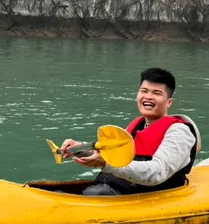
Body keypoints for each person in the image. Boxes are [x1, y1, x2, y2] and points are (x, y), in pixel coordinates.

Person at [60, 67, 201, 196]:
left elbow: (157, 172)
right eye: (144, 91)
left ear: (169, 102)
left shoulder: (179, 132)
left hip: (150, 197)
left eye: (157, 93)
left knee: (93, 194)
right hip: (115, 190)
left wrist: (105, 164)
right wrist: (79, 148)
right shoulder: (136, 126)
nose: (148, 97)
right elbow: (109, 156)